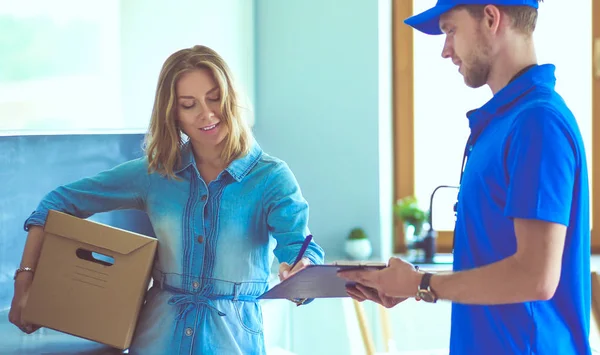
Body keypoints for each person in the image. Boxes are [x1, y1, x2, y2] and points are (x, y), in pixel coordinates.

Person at [9, 45, 325, 355]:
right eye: (189, 104)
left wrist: (301, 273)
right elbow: (56, 203)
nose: (207, 113)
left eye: (214, 98)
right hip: (156, 338)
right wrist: (24, 285)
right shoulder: (155, 174)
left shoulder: (271, 177)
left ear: (231, 99)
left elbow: (302, 249)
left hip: (233, 341)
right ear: (173, 113)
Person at [339, 1, 591, 354]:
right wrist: (409, 285)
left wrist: (421, 283)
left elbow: (536, 277)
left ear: (490, 18)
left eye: (450, 30)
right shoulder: (502, 124)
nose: (445, 51)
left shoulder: (537, 123)